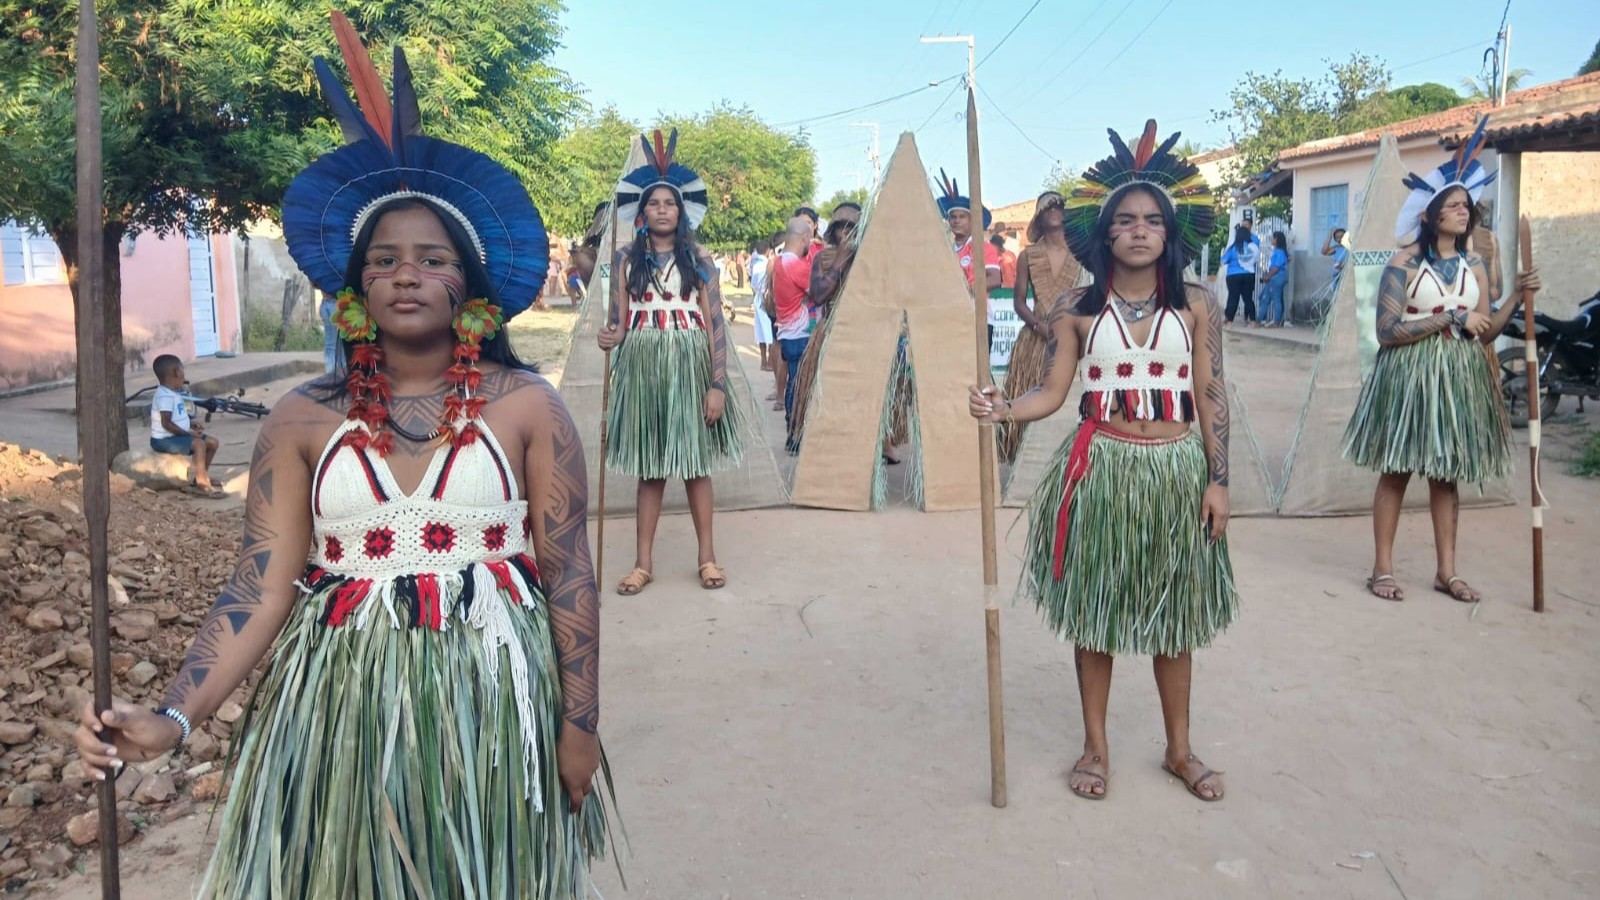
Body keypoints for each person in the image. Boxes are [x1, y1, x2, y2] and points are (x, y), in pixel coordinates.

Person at [73, 28, 611, 897]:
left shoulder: (526, 406)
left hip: (494, 705)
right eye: (383, 260)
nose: (406, 275)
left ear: (470, 284)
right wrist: (174, 716)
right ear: (356, 287)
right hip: (341, 711)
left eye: (433, 259)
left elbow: (570, 571)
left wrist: (579, 723)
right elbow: (260, 588)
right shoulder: (300, 419)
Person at [969, 121, 1236, 803]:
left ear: (1170, 233)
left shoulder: (1197, 305)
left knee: (1176, 617)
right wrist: (1001, 408)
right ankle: (1095, 747)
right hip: (1103, 471)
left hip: (1176, 471)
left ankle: (1179, 750)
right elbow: (1052, 393)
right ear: (1105, 233)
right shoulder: (1077, 310)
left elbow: (1211, 394)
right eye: (1126, 220)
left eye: (1152, 220)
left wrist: (1218, 481)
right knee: (1097, 614)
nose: (1140, 231)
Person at [1343, 117, 1536, 603]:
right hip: (1408, 377)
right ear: (1429, 215)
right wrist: (1450, 316)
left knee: (1446, 475)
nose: (1463, 211)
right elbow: (1387, 332)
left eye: (1466, 205)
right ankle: (1382, 569)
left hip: (1459, 377)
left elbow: (1486, 330)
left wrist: (1516, 297)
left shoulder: (1476, 266)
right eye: (1453, 205)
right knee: (1395, 470)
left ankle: (1446, 572)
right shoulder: (1403, 264)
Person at [599, 129, 743, 594]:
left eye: (670, 203)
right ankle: (643, 563)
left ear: (681, 212)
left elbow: (715, 323)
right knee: (651, 468)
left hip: (689, 363)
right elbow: (620, 322)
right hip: (643, 368)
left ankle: (707, 558)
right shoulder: (626, 259)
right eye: (655, 203)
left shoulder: (698, 258)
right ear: (642, 212)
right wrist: (610, 336)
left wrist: (716, 384)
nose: (662, 210)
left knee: (696, 465)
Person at [787, 202, 896, 458]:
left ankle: (877, 445)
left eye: (852, 227)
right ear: (833, 230)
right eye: (841, 227)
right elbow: (818, 295)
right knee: (831, 396)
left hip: (865, 338)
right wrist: (840, 261)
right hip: (831, 336)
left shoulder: (873, 260)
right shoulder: (822, 258)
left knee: (867, 397)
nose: (846, 233)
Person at [999, 191, 1084, 463]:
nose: (1054, 211)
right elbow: (1019, 302)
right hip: (1035, 341)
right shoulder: (1028, 256)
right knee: (1029, 398)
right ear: (1038, 217)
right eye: (1047, 208)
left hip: (1074, 340)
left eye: (1058, 206)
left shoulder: (1081, 254)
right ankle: (1024, 460)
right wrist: (1039, 326)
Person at [935, 170, 1002, 348]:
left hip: (977, 317)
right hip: (948, 317)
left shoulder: (982, 247)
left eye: (962, 217)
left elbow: (995, 279)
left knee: (976, 366)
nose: (956, 221)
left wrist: (964, 290)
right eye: (953, 217)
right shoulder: (945, 249)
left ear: (973, 220)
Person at [766, 216, 817, 446]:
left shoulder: (779, 262)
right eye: (809, 238)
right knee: (798, 384)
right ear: (804, 237)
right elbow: (818, 291)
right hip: (798, 334)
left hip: (788, 333)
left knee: (794, 383)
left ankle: (793, 432)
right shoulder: (794, 265)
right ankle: (795, 435)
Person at [147, 354, 223, 498]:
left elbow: (177, 415)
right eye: (183, 371)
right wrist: (188, 434)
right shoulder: (164, 395)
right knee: (199, 444)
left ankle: (201, 475)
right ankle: (201, 484)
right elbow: (166, 423)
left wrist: (191, 424)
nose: (184, 375)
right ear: (177, 372)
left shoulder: (173, 392)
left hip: (176, 434)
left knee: (213, 443)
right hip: (163, 439)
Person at [1220, 223, 1260, 326]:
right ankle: (1253, 322)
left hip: (1233, 275)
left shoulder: (1233, 248)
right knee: (1248, 298)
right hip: (1249, 275)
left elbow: (1223, 260)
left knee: (1233, 298)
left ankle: (1229, 322)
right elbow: (1255, 260)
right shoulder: (1252, 247)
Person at [1257, 231, 1289, 326]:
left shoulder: (1279, 252)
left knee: (1273, 299)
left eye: (1273, 238)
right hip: (1276, 277)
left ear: (1277, 240)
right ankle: (1263, 319)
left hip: (1276, 277)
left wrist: (1268, 276)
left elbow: (1276, 268)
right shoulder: (1278, 251)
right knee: (1266, 298)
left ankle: (1273, 321)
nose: (1271, 239)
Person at [749, 239, 773, 371]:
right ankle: (770, 362)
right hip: (767, 299)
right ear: (768, 250)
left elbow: (753, 284)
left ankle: (763, 361)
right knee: (769, 331)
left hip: (758, 299)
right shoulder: (768, 264)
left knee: (760, 331)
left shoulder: (755, 265)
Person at [1321, 226, 1349, 292]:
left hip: (1348, 275)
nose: (1340, 239)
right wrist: (1330, 236)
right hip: (1338, 277)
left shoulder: (1351, 247)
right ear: (1335, 240)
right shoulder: (1336, 248)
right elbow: (1324, 252)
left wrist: (1343, 266)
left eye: (1342, 236)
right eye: (1337, 237)